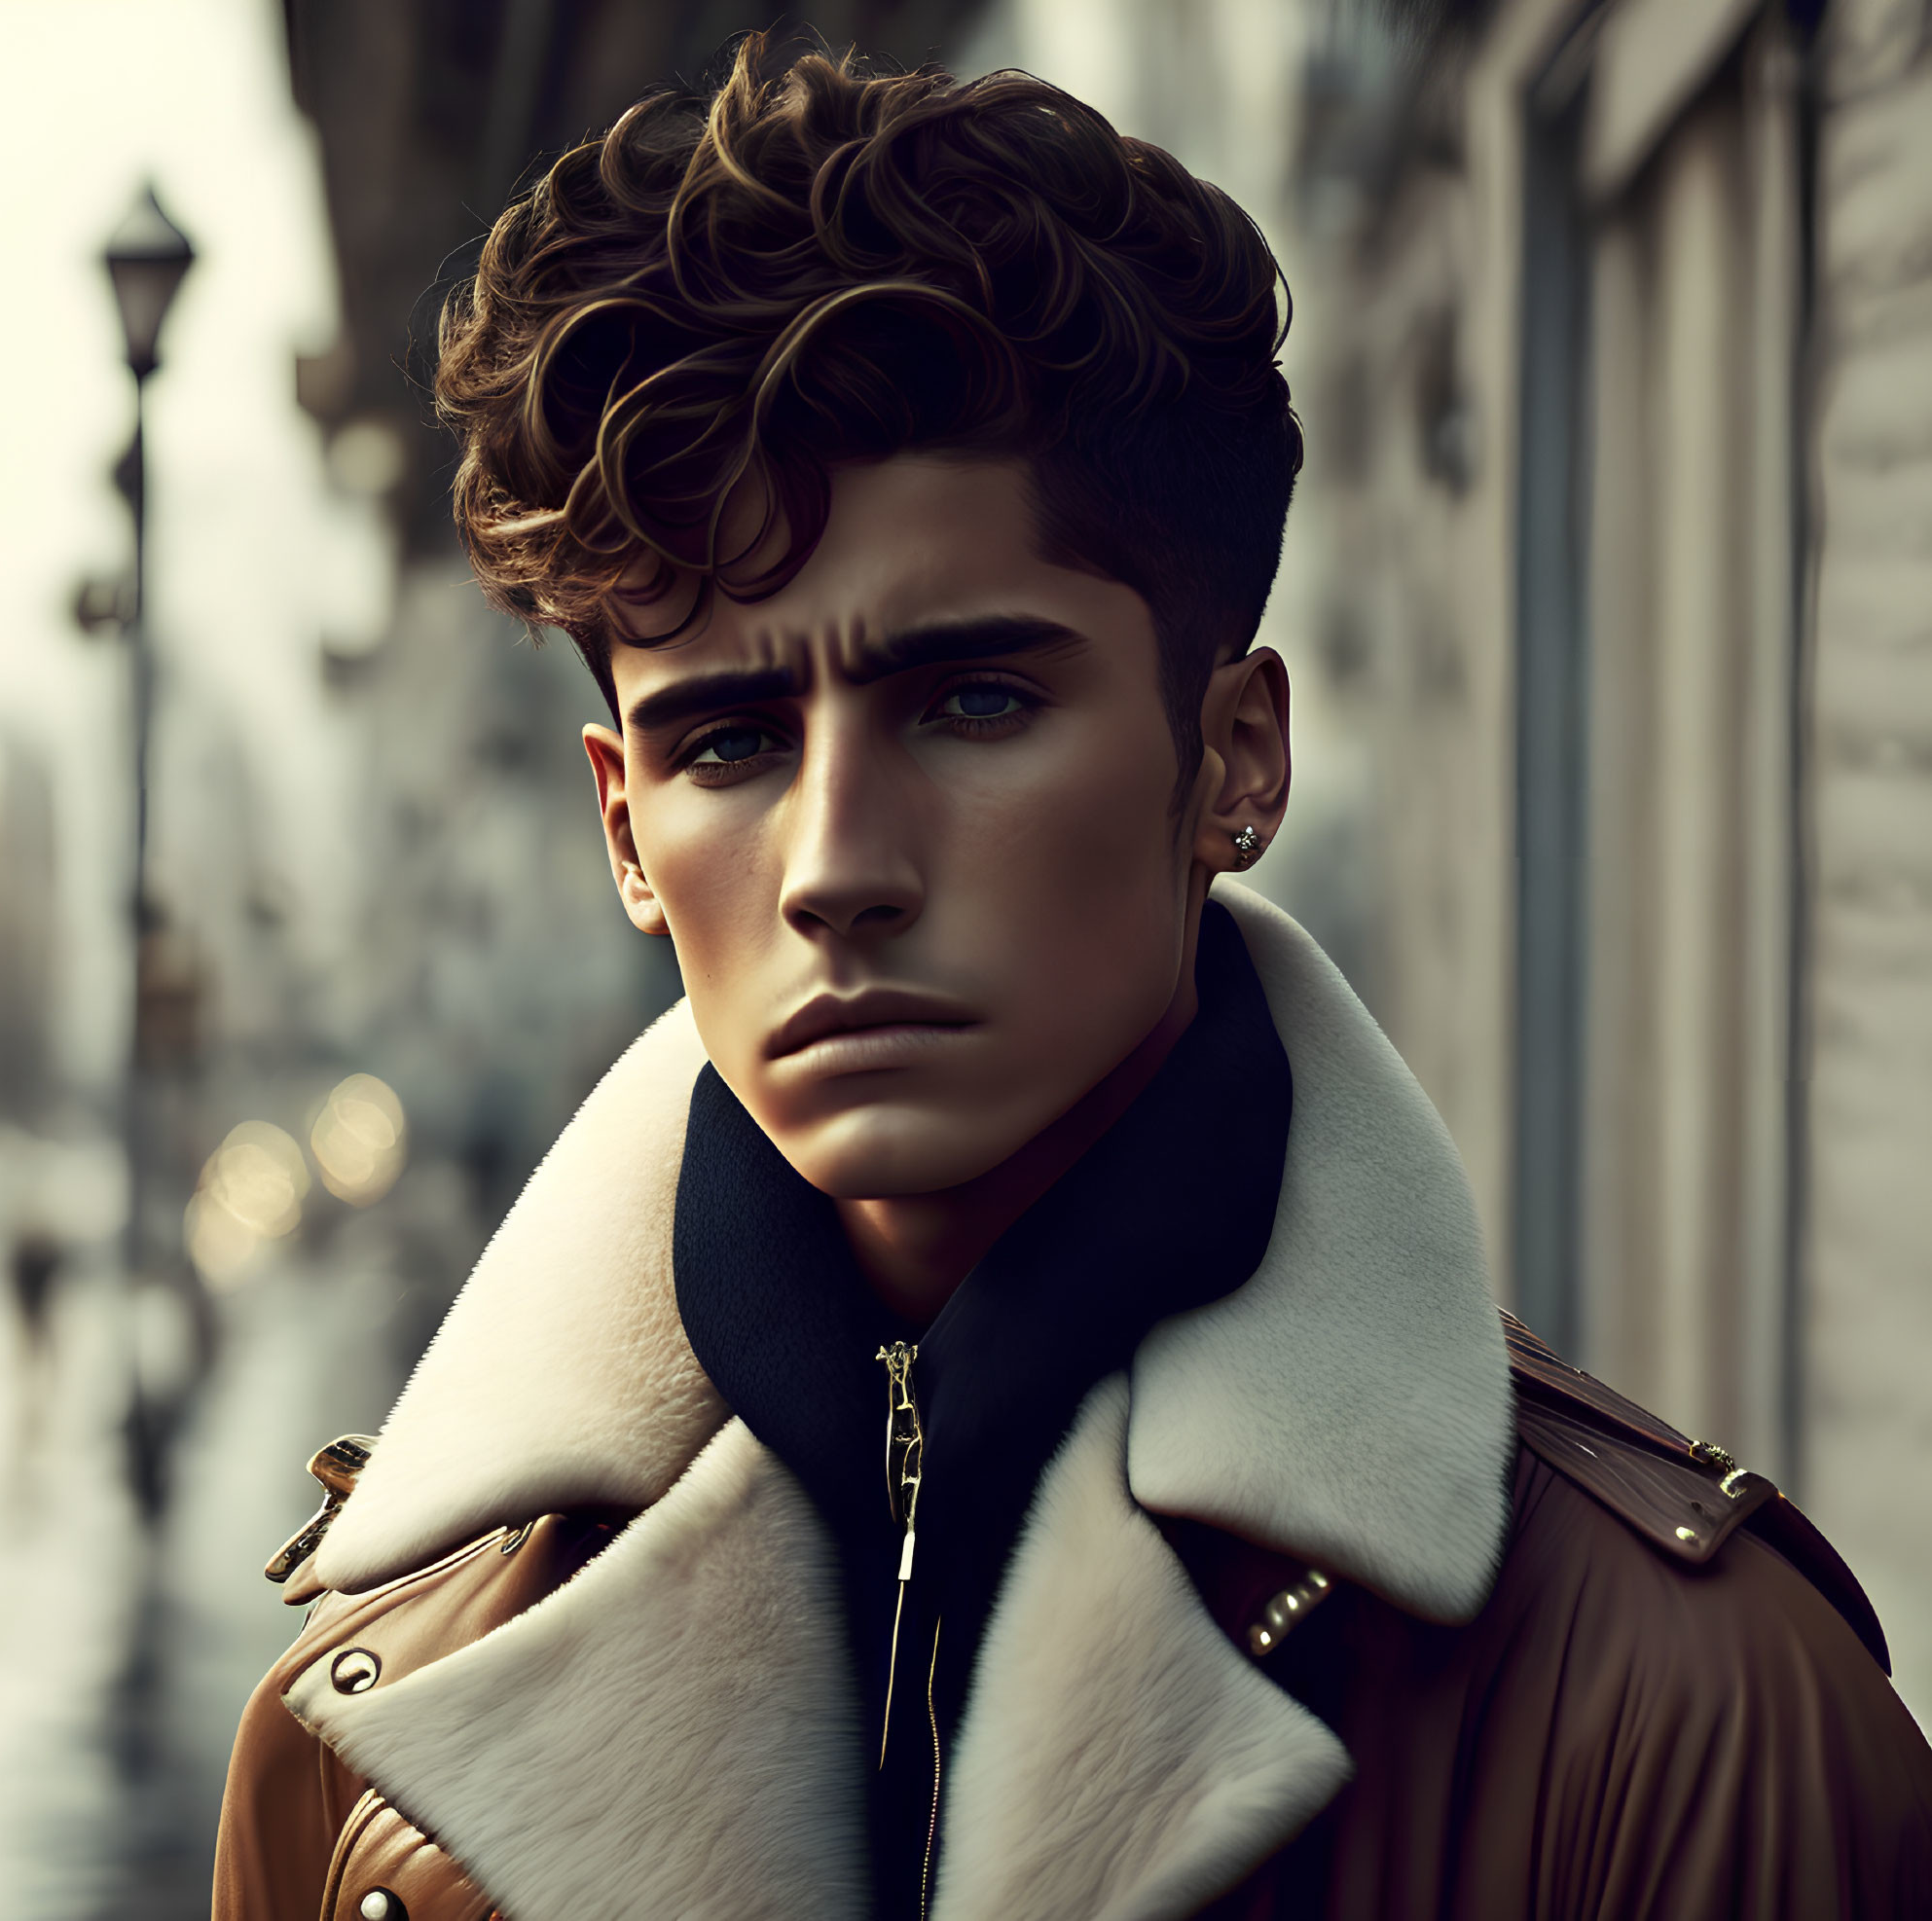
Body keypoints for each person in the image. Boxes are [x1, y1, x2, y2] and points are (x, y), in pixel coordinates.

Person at [214, 36, 1932, 1921]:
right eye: (727, 744)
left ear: (1236, 763)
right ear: (623, 826)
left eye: (971, 699)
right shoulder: (371, 1718)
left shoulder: (1691, 1718)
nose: (838, 870)